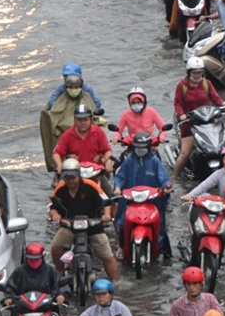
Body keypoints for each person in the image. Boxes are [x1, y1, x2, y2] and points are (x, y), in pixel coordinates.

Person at [49, 158, 119, 281]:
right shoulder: (60, 189)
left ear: (79, 175)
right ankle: (60, 274)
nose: (70, 181)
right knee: (55, 248)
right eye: (66, 177)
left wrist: (106, 215)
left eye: (73, 177)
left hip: (93, 225)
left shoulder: (91, 186)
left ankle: (116, 281)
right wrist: (55, 215)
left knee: (107, 256)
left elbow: (106, 201)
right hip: (69, 225)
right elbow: (52, 206)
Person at [114, 131, 173, 260]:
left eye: (143, 148)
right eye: (137, 148)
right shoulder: (129, 161)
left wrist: (167, 187)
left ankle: (165, 250)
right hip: (131, 200)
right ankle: (121, 246)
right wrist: (118, 188)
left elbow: (163, 178)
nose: (140, 151)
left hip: (152, 200)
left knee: (160, 222)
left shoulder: (155, 161)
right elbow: (120, 177)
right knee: (123, 221)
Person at [171, 57, 225, 179]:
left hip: (208, 122)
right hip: (190, 124)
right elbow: (177, 103)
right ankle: (174, 178)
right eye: (195, 72)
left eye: (200, 72)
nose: (198, 75)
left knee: (223, 148)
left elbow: (216, 98)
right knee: (185, 153)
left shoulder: (206, 83)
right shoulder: (182, 86)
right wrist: (182, 115)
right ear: (189, 72)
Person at [40, 74, 99, 172]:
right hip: (67, 137)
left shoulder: (87, 97)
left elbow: (106, 149)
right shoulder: (62, 98)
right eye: (71, 87)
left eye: (76, 87)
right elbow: (57, 152)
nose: (73, 89)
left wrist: (102, 157)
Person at [51, 104, 114, 186]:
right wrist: (59, 165)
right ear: (74, 120)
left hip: (96, 174)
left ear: (90, 120)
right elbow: (56, 153)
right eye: (79, 120)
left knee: (109, 194)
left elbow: (107, 150)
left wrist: (108, 162)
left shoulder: (98, 132)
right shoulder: (67, 135)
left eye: (85, 120)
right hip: (74, 175)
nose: (83, 123)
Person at [3, 242, 65, 306]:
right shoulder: (19, 271)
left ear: (42, 257)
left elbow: (60, 285)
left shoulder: (51, 271)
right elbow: (10, 287)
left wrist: (61, 295)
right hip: (23, 307)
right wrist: (9, 297)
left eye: (37, 259)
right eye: (31, 259)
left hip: (46, 306)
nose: (34, 262)